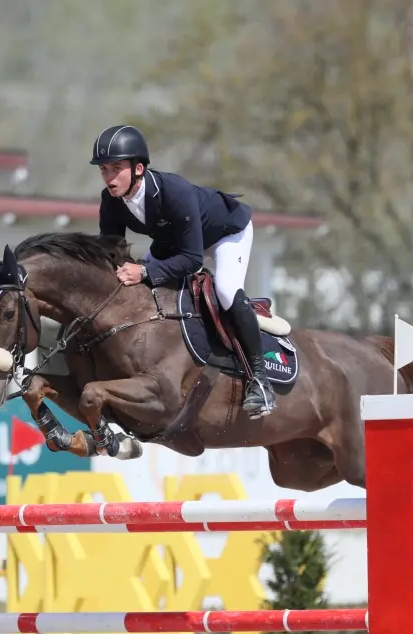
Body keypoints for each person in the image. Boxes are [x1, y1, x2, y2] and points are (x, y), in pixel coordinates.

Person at [89, 124, 274, 419]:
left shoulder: (175, 192)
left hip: (225, 234)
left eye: (115, 168)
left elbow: (191, 260)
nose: (109, 177)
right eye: (104, 170)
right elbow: (111, 251)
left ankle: (260, 381)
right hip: (174, 241)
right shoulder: (111, 201)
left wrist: (145, 272)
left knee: (225, 290)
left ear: (138, 168)